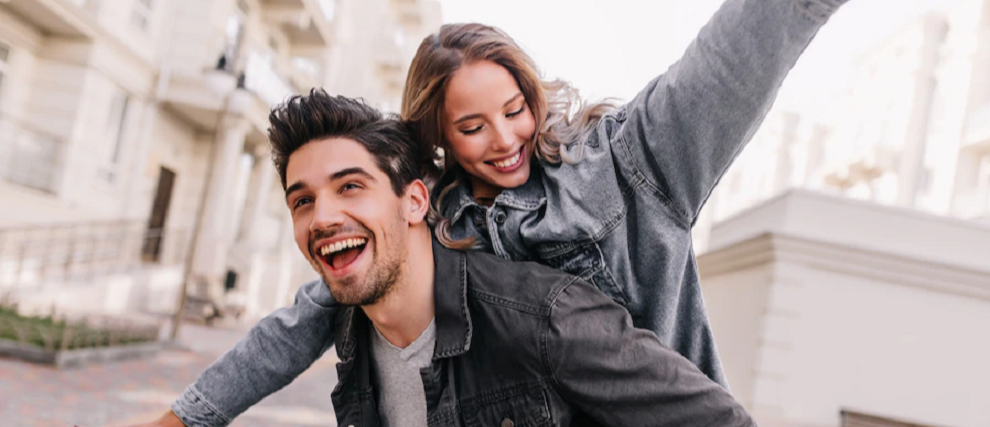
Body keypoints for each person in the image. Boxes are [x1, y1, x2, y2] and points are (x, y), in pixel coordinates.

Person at [155, 0, 852, 424]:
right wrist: (189, 414)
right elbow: (300, 320)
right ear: (437, 139)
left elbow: (738, 52)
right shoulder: (436, 222)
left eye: (515, 109)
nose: (507, 138)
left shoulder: (628, 165)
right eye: (473, 127)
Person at [144, 91, 755, 427]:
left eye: (350, 186)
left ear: (415, 200)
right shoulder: (353, 331)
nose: (322, 216)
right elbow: (272, 342)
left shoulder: (542, 317)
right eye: (302, 200)